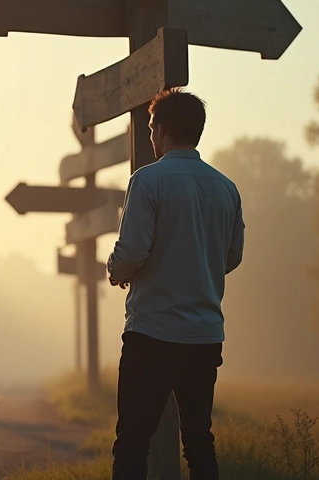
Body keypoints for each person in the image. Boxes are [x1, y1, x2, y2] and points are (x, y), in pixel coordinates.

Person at [106, 89, 244, 480]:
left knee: (132, 443)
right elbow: (231, 257)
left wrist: (116, 270)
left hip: (152, 332)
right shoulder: (226, 187)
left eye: (152, 129)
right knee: (200, 443)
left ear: (161, 130)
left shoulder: (148, 181)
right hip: (204, 335)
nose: (151, 137)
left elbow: (131, 251)